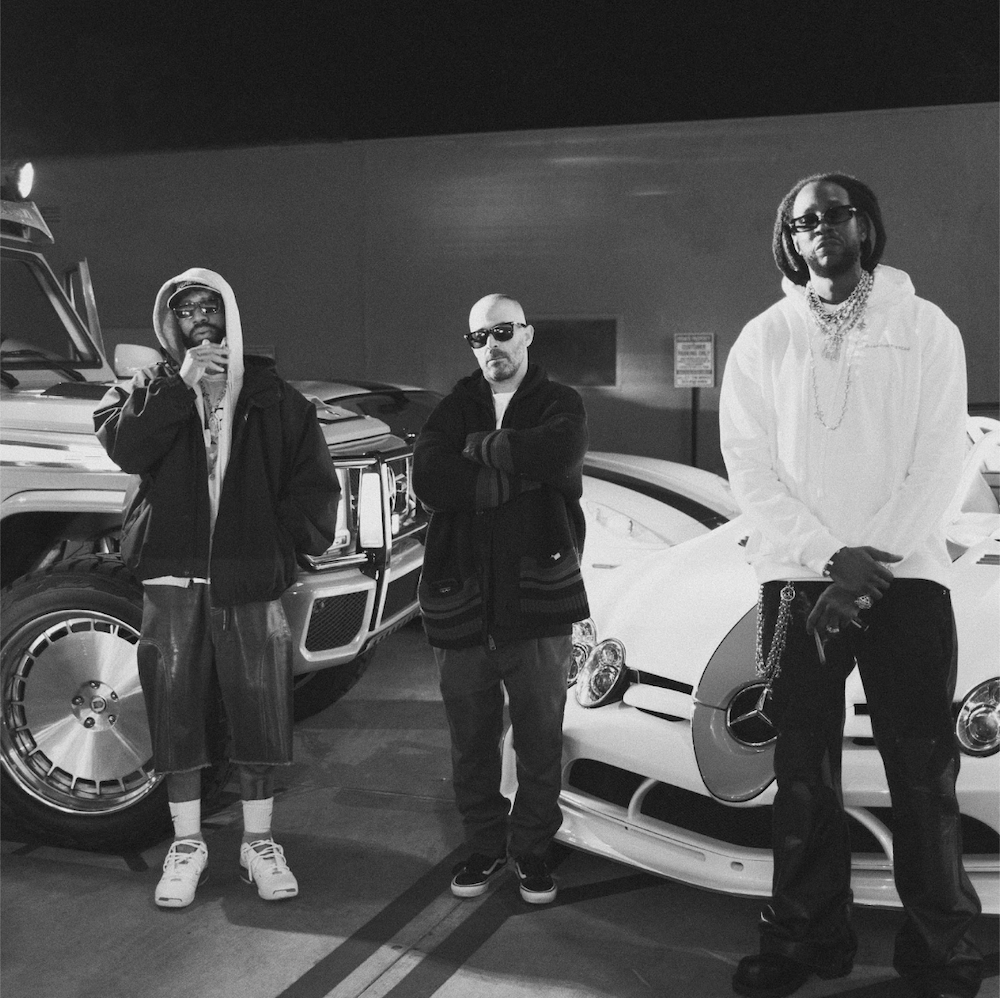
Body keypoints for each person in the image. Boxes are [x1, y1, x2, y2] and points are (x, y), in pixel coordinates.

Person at [719, 174, 983, 998]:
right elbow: (749, 468)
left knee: (922, 769)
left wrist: (868, 567)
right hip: (798, 581)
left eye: (836, 214)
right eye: (804, 221)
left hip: (907, 579)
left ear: (865, 227)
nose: (820, 228)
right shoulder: (764, 339)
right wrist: (830, 558)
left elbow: (940, 458)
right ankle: (805, 939)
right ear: (789, 240)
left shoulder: (925, 326)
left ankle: (941, 950)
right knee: (802, 771)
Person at [95, 269, 340, 909]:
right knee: (174, 704)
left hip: (248, 573)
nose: (200, 317)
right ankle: (186, 844)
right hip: (172, 572)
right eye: (186, 310)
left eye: (210, 306)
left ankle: (259, 843)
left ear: (230, 314)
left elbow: (314, 484)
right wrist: (178, 385)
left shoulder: (273, 395)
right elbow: (126, 449)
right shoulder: (146, 388)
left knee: (260, 703)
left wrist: (280, 547)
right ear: (168, 323)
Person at [413, 293, 589, 904]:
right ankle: (486, 847)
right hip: (463, 602)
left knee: (540, 739)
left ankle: (532, 850)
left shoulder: (560, 402)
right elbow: (428, 477)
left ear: (527, 334)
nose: (492, 346)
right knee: (472, 742)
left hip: (538, 604)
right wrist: (517, 474)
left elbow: (558, 452)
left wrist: (478, 449)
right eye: (479, 337)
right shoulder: (453, 407)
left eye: (503, 331)